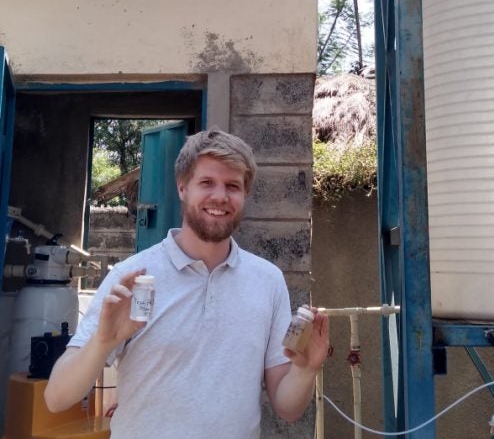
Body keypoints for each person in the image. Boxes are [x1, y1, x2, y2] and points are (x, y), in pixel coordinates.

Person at [45, 127, 329, 439]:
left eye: (232, 186)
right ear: (182, 188)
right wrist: (102, 342)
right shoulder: (133, 276)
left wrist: (305, 370)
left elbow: (287, 408)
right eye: (206, 182)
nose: (220, 196)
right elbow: (56, 398)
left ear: (245, 194)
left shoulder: (268, 280)